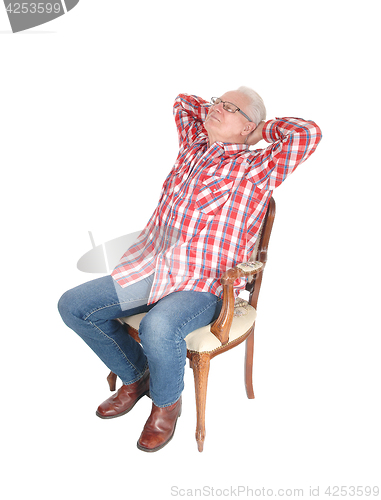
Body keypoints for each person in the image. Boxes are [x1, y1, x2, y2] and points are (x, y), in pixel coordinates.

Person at [58, 87, 322, 452]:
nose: (217, 108)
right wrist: (227, 115)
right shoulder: (193, 146)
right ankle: (136, 377)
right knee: (74, 305)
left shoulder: (258, 168)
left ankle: (166, 405)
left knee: (159, 326)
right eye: (218, 102)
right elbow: (184, 101)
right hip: (153, 267)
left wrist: (260, 131)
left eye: (231, 108)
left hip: (204, 283)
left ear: (249, 126)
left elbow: (308, 133)